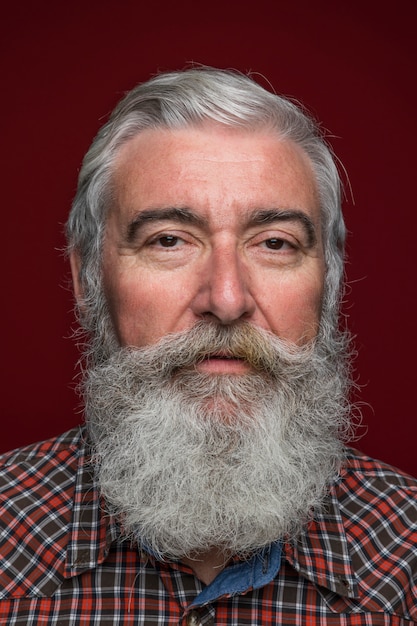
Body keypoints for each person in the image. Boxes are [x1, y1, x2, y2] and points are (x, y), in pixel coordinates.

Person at [1, 67, 416, 625]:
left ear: (330, 284)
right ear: (88, 281)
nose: (226, 298)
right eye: (169, 240)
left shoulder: (406, 562)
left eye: (274, 243)